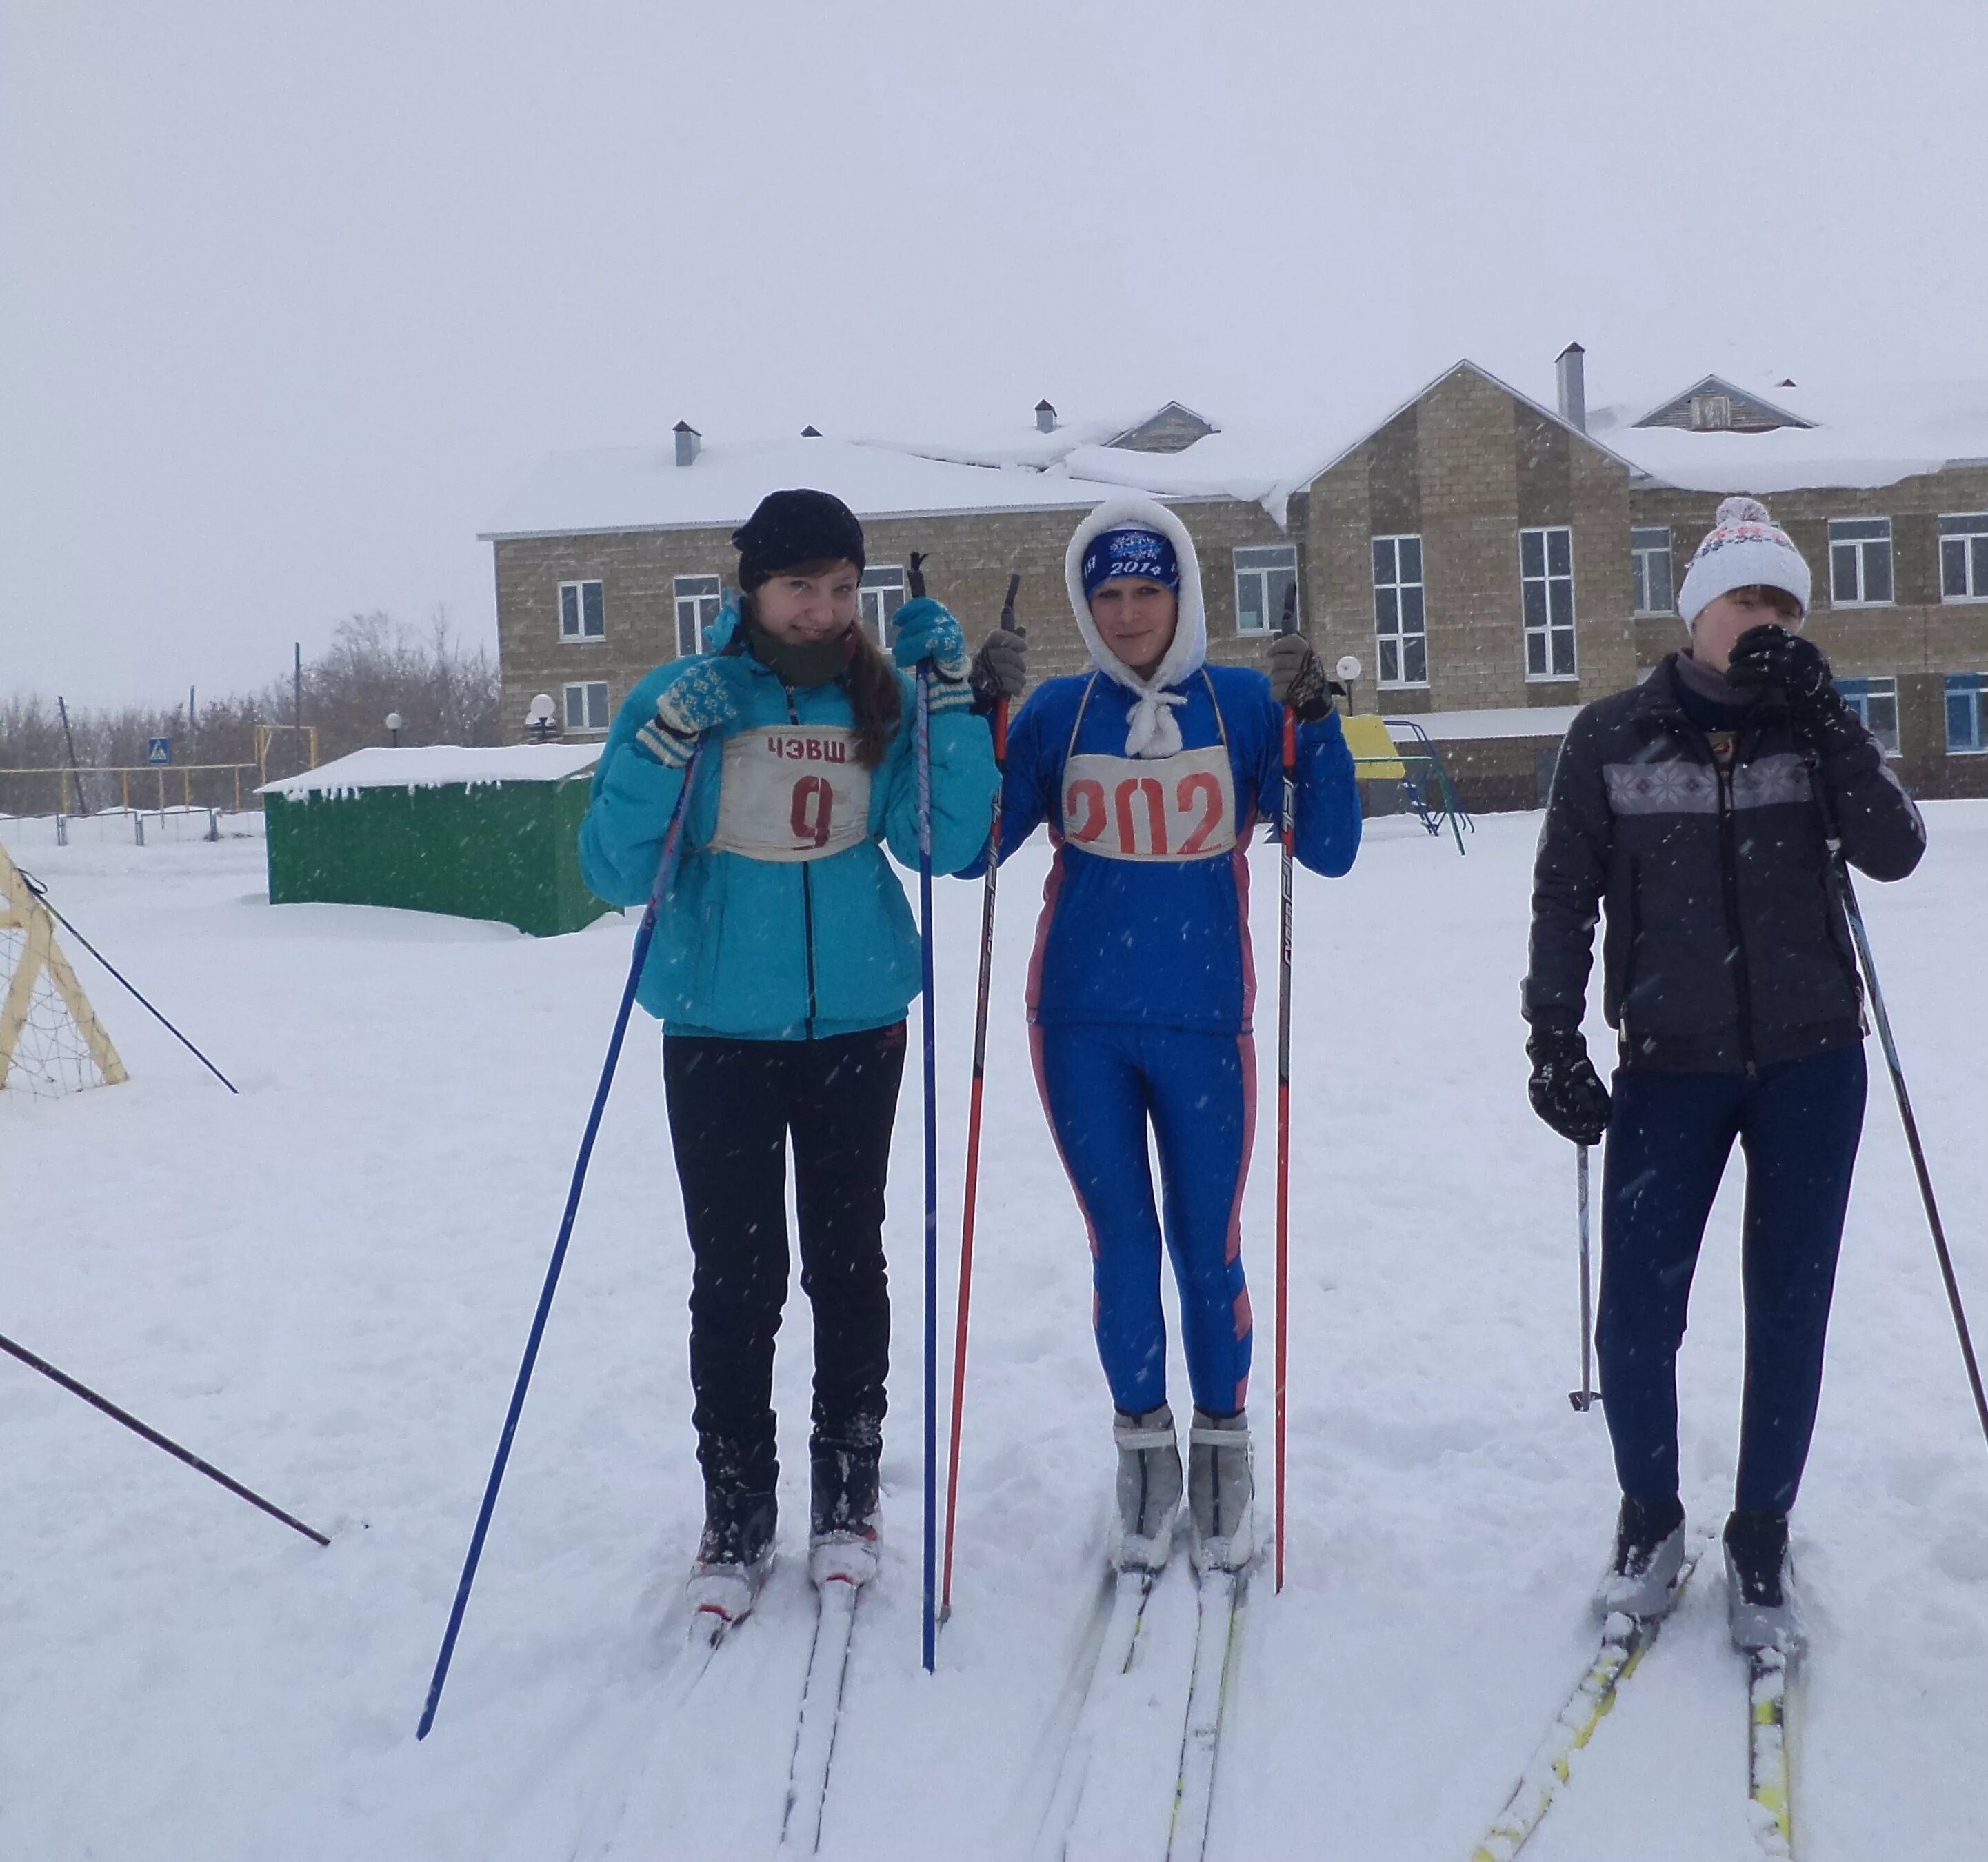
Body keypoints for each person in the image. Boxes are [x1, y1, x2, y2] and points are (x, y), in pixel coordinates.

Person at [578, 489, 1011, 1625]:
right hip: (718, 1024)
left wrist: (952, 700)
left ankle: (847, 1492)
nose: (821, 611)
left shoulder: (885, 696)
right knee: (736, 1278)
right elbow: (617, 871)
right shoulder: (685, 700)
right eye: (798, 587)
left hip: (858, 1021)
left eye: (839, 589)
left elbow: (950, 845)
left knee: (847, 1261)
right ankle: (735, 1506)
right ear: (751, 591)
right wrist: (666, 742)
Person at [1523, 495, 1927, 1652]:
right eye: (1747, 598)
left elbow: (1895, 851)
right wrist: (1553, 1035)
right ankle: (1651, 1521)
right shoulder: (1610, 734)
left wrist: (1833, 722)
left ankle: (1760, 1535)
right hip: (1669, 1067)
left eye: (1784, 605)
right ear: (1698, 609)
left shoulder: (1814, 727)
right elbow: (1564, 896)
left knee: (1788, 1310)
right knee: (1639, 1319)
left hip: (1811, 1064)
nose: (1764, 620)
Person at [971, 496, 1361, 1576]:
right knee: (1123, 1252)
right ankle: (1142, 1454)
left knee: (1207, 1249)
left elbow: (1327, 849)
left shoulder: (1241, 704)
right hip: (1080, 1023)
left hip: (1203, 1023)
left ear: (1183, 594)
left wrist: (1317, 722)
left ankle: (1223, 1457)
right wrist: (969, 720)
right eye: (1109, 593)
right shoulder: (1056, 713)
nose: (1131, 611)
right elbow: (957, 851)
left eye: (1150, 590)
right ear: (1085, 605)